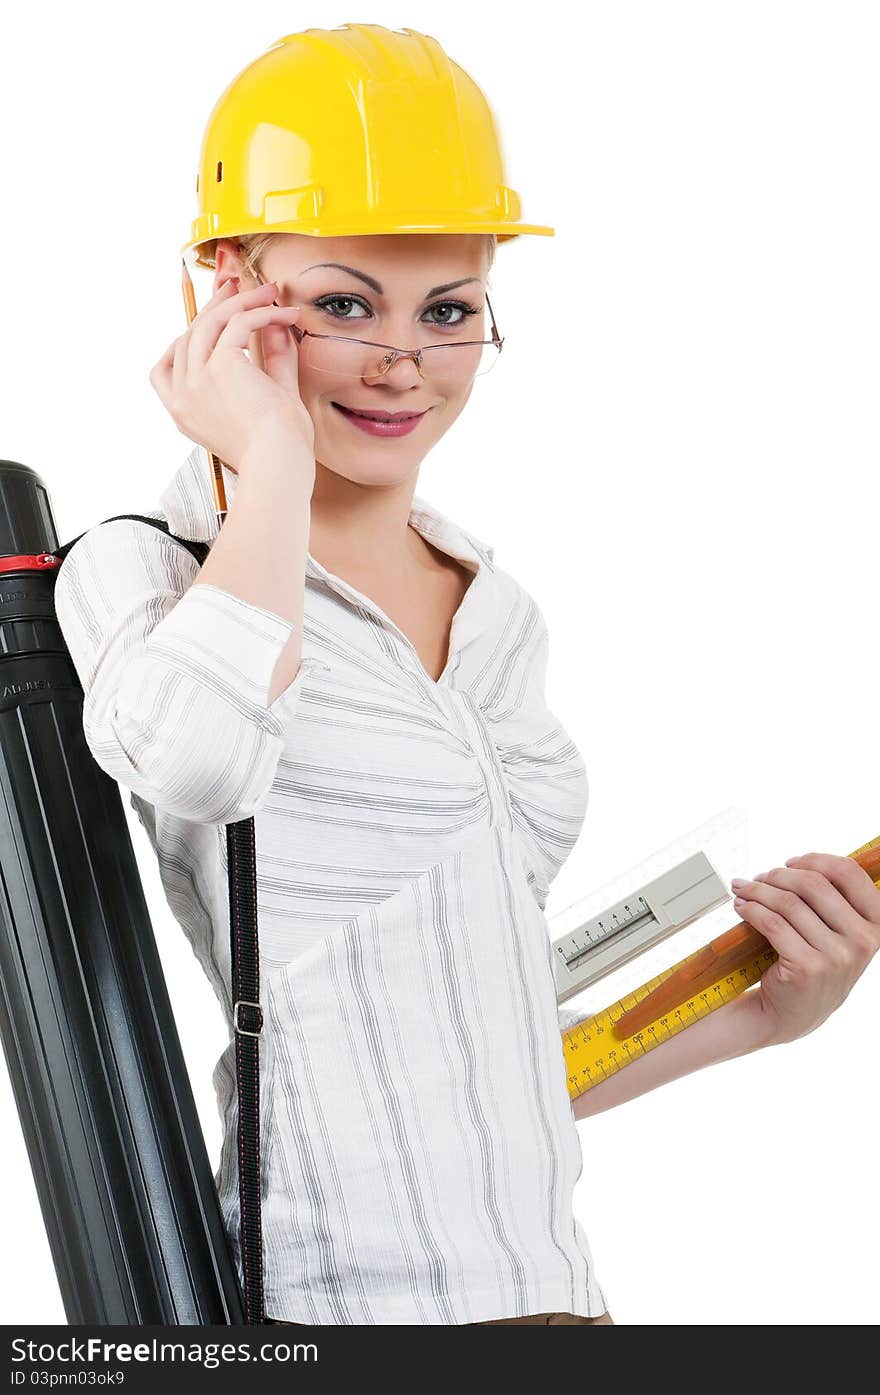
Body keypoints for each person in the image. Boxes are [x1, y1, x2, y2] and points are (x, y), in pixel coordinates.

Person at [54, 24, 880, 1328]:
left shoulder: (501, 613)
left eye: (448, 311)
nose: (405, 363)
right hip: (334, 1318)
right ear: (224, 290)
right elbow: (202, 762)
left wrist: (768, 1013)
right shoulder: (141, 571)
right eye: (342, 305)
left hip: (561, 1309)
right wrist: (266, 463)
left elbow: (466, 1049)